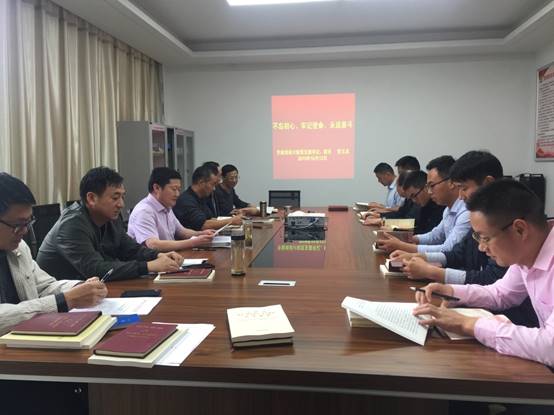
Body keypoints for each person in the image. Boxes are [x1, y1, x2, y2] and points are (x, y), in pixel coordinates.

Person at [413, 179, 553, 368]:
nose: (481, 247)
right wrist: (450, 291)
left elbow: (549, 346)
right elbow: (500, 293)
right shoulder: (527, 253)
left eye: (485, 238)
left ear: (520, 229)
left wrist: (468, 324)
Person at [0, 173, 107, 334]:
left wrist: (81, 287)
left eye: (28, 222)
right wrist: (66, 300)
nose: (25, 231)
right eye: (18, 224)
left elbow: (44, 286)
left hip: (26, 339)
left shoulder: (18, 248)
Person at [37, 167, 183, 281]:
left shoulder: (110, 218)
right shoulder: (71, 225)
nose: (121, 204)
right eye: (115, 198)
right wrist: (148, 266)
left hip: (91, 289)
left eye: (122, 197)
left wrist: (158, 255)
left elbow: (131, 249)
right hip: (64, 296)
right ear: (91, 198)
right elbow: (96, 269)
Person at [377, 156, 470, 253]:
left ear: (451, 183)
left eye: (432, 186)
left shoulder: (463, 210)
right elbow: (434, 235)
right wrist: (409, 239)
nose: (429, 191)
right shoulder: (448, 209)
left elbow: (412, 223)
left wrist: (403, 245)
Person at [127, 167, 214, 251]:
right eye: (174, 189)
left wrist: (201, 234)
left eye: (179, 190)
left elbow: (182, 231)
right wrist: (193, 242)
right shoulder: (144, 211)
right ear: (156, 188)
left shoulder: (166, 205)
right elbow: (153, 245)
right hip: (153, 259)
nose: (177, 194)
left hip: (169, 256)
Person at [174, 165, 243, 231]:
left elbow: (210, 219)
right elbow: (203, 225)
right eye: (213, 184)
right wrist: (232, 221)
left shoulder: (201, 197)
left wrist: (231, 218)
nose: (214, 189)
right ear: (201, 182)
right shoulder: (186, 200)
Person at [400, 170, 445, 235]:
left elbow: (433, 236)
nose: (414, 200)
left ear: (425, 188)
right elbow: (421, 229)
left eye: (414, 195)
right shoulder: (424, 206)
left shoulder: (441, 204)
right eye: (411, 198)